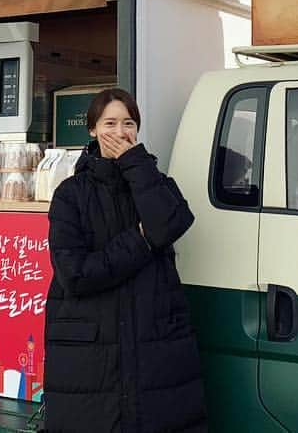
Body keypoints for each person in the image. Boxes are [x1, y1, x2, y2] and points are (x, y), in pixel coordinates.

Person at [44, 87, 207, 433]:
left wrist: (135, 164)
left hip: (156, 345)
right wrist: (141, 240)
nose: (120, 132)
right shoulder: (70, 195)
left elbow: (172, 223)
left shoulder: (155, 183)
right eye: (110, 123)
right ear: (92, 130)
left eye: (129, 123)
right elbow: (75, 275)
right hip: (91, 356)